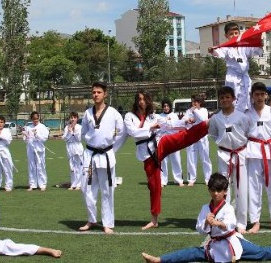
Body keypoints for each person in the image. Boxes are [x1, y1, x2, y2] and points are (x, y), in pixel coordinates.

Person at [141, 173, 271, 263]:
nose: (215, 193)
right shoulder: (205, 208)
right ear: (209, 190)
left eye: (219, 191)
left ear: (225, 191)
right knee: (191, 253)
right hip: (215, 244)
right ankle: (159, 260)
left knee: (264, 253)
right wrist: (206, 224)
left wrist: (217, 223)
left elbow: (231, 225)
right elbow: (199, 229)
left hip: (233, 242)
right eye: (212, 190)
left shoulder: (228, 207)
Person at [124, 89, 210, 230]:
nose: (142, 102)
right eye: (139, 99)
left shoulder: (152, 116)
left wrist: (185, 122)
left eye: (144, 99)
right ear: (136, 101)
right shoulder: (129, 116)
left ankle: (206, 125)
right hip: (147, 154)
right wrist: (151, 128)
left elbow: (169, 124)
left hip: (159, 144)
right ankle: (154, 219)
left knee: (183, 138)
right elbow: (133, 132)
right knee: (154, 185)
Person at [79, 82, 128, 234]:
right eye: (93, 92)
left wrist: (112, 149)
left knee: (107, 190)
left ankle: (107, 223)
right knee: (86, 188)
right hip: (90, 155)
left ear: (105, 94)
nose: (96, 95)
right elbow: (83, 133)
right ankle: (91, 219)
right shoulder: (87, 113)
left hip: (106, 154)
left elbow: (122, 132)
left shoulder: (114, 113)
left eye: (99, 92)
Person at [244, 82, 271, 233]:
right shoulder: (247, 114)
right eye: (257, 94)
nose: (260, 97)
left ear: (266, 95)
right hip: (253, 151)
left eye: (262, 94)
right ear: (252, 96)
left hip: (270, 150)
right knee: (253, 187)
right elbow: (243, 133)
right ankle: (256, 221)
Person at [208, 86, 251, 233]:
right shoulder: (215, 118)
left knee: (241, 188)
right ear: (219, 100)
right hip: (224, 154)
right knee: (223, 189)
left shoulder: (242, 117)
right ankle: (225, 220)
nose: (225, 100)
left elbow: (247, 132)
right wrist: (223, 141)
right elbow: (213, 134)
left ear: (233, 99)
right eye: (222, 98)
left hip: (240, 154)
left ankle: (241, 223)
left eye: (228, 97)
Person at [208, 22, 263, 112]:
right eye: (231, 34)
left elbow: (254, 50)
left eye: (236, 33)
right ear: (226, 35)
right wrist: (212, 50)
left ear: (239, 34)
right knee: (233, 98)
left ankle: (247, 113)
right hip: (233, 77)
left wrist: (259, 45)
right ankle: (233, 115)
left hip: (245, 77)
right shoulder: (226, 48)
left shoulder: (243, 46)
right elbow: (218, 51)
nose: (234, 35)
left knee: (247, 97)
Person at [184, 94, 212, 186]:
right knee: (191, 158)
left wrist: (195, 111)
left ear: (199, 103)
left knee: (205, 158)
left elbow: (203, 119)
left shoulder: (204, 110)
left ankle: (208, 178)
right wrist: (189, 119)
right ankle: (191, 179)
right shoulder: (189, 111)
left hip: (202, 137)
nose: (193, 103)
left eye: (195, 102)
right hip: (192, 136)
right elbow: (185, 120)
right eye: (192, 102)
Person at [158, 99, 184, 187]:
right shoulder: (159, 116)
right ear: (162, 107)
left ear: (170, 107)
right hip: (164, 140)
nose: (166, 108)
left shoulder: (174, 115)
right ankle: (163, 181)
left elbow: (177, 126)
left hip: (173, 140)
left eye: (167, 106)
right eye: (164, 106)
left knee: (176, 159)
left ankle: (178, 180)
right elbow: (159, 129)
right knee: (163, 161)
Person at [22, 111, 50, 191]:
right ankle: (32, 184)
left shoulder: (42, 127)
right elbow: (25, 140)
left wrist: (36, 135)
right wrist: (26, 136)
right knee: (31, 166)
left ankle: (42, 184)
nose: (35, 120)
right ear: (31, 119)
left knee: (41, 166)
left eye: (37, 119)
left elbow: (44, 138)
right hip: (30, 149)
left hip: (39, 149)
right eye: (34, 119)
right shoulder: (28, 127)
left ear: (39, 118)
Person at [62, 111, 84, 190]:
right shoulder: (67, 127)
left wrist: (73, 132)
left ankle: (79, 184)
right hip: (70, 147)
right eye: (71, 118)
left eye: (74, 118)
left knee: (79, 166)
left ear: (77, 119)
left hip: (77, 147)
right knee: (72, 166)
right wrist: (69, 132)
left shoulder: (79, 127)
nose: (73, 119)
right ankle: (73, 184)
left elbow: (79, 139)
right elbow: (64, 138)